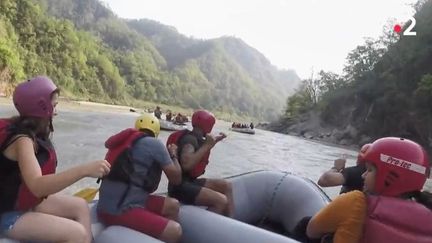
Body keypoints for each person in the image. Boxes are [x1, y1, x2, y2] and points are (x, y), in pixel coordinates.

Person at [0, 76, 111, 243]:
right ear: (42, 107)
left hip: (25, 204)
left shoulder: (30, 133)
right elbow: (37, 186)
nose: (56, 110)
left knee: (80, 206)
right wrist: (84, 170)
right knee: (76, 233)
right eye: (54, 105)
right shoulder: (22, 140)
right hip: (8, 214)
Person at [306, 137, 432, 243]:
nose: (363, 175)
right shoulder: (428, 211)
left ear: (388, 175)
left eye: (370, 170)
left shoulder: (356, 201)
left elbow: (311, 231)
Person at [97, 113, 183, 243]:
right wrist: (173, 155)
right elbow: (176, 179)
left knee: (173, 205)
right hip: (120, 210)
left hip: (107, 205)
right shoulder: (155, 144)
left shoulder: (122, 143)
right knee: (175, 230)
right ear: (156, 132)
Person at [166, 110, 234, 217]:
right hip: (179, 188)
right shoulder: (190, 140)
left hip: (189, 182)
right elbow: (186, 165)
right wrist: (207, 145)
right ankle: (206, 229)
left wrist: (213, 142)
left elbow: (201, 149)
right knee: (221, 201)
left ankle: (231, 222)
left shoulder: (195, 137)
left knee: (226, 185)